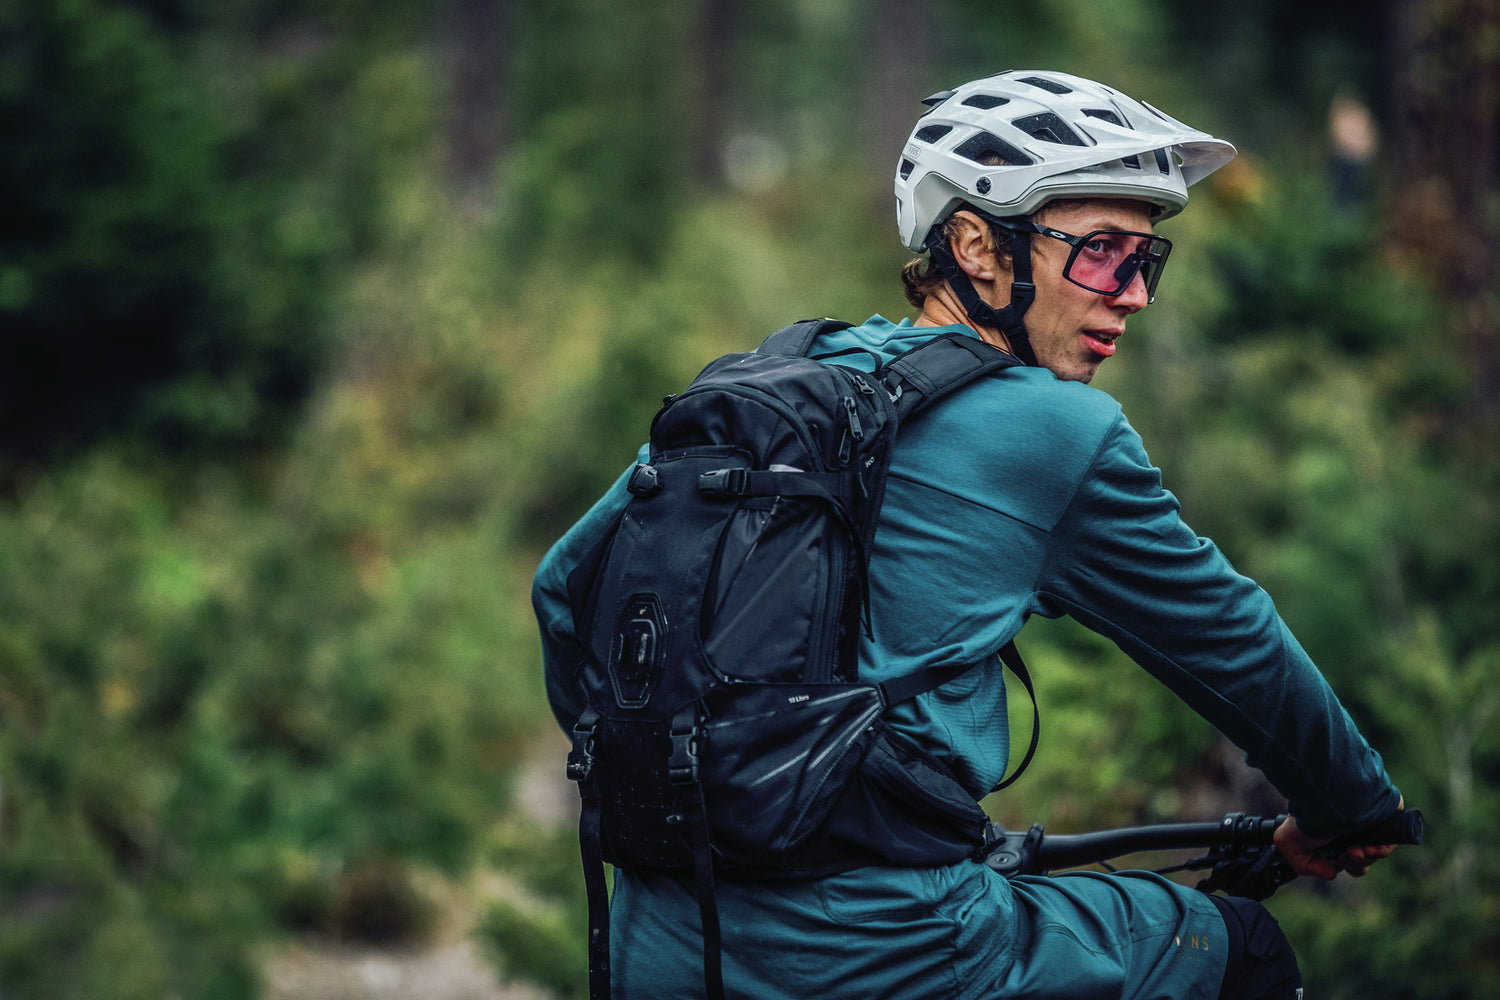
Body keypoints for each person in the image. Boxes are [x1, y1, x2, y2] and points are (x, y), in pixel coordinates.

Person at [532, 70, 1403, 1000]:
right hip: (887, 950)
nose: (1135, 294)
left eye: (1148, 261)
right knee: (1237, 950)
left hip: (659, 940)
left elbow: (562, 589)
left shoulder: (769, 382)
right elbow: (1237, 649)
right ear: (977, 245)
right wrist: (1348, 806)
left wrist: (693, 794)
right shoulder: (1057, 433)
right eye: (1103, 252)